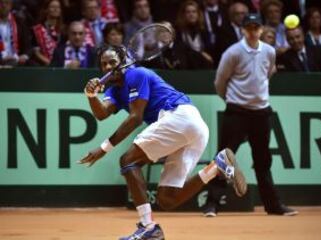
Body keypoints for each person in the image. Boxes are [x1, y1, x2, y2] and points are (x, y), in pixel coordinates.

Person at [78, 45, 247, 239]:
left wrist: (103, 149)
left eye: (113, 62)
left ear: (124, 62)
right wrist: (91, 96)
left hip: (179, 116)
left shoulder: (136, 74)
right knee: (167, 199)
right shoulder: (115, 91)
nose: (108, 67)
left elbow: (136, 118)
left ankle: (148, 227)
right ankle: (218, 166)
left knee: (128, 161)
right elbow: (101, 113)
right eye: (103, 64)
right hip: (192, 128)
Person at [203, 13, 298, 217]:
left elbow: (267, 74)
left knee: (263, 160)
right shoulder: (232, 52)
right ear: (243, 30)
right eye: (249, 27)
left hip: (261, 113)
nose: (253, 31)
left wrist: (256, 99)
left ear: (262, 29)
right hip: (236, 112)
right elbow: (220, 82)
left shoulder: (270, 51)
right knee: (224, 159)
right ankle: (211, 204)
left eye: (256, 27)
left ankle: (273, 206)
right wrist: (234, 100)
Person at [31, 0, 64, 66]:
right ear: (46, 10)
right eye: (53, 7)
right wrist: (49, 63)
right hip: (43, 65)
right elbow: (35, 51)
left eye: (58, 7)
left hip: (60, 65)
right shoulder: (38, 29)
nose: (55, 9)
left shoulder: (63, 30)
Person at [0, 0, 32, 66]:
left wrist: (24, 56)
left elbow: (28, 46)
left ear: (11, 5)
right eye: (1, 3)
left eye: (6, 3)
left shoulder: (19, 22)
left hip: (17, 61)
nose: (3, 5)